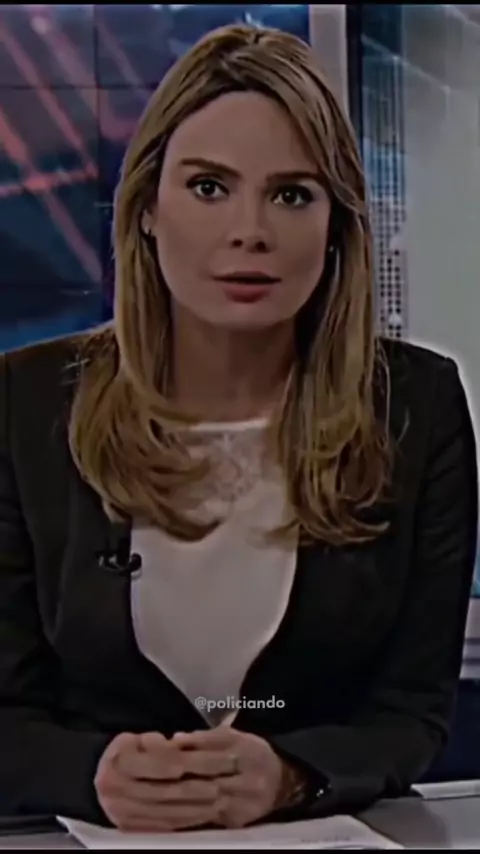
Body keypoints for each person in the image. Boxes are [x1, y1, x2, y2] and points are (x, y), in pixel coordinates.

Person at [0, 23, 478, 834]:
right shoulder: (26, 404)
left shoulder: (416, 407)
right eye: (209, 187)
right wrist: (91, 774)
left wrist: (293, 776)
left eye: (292, 195)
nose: (249, 230)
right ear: (147, 211)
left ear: (336, 227)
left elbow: (410, 713)